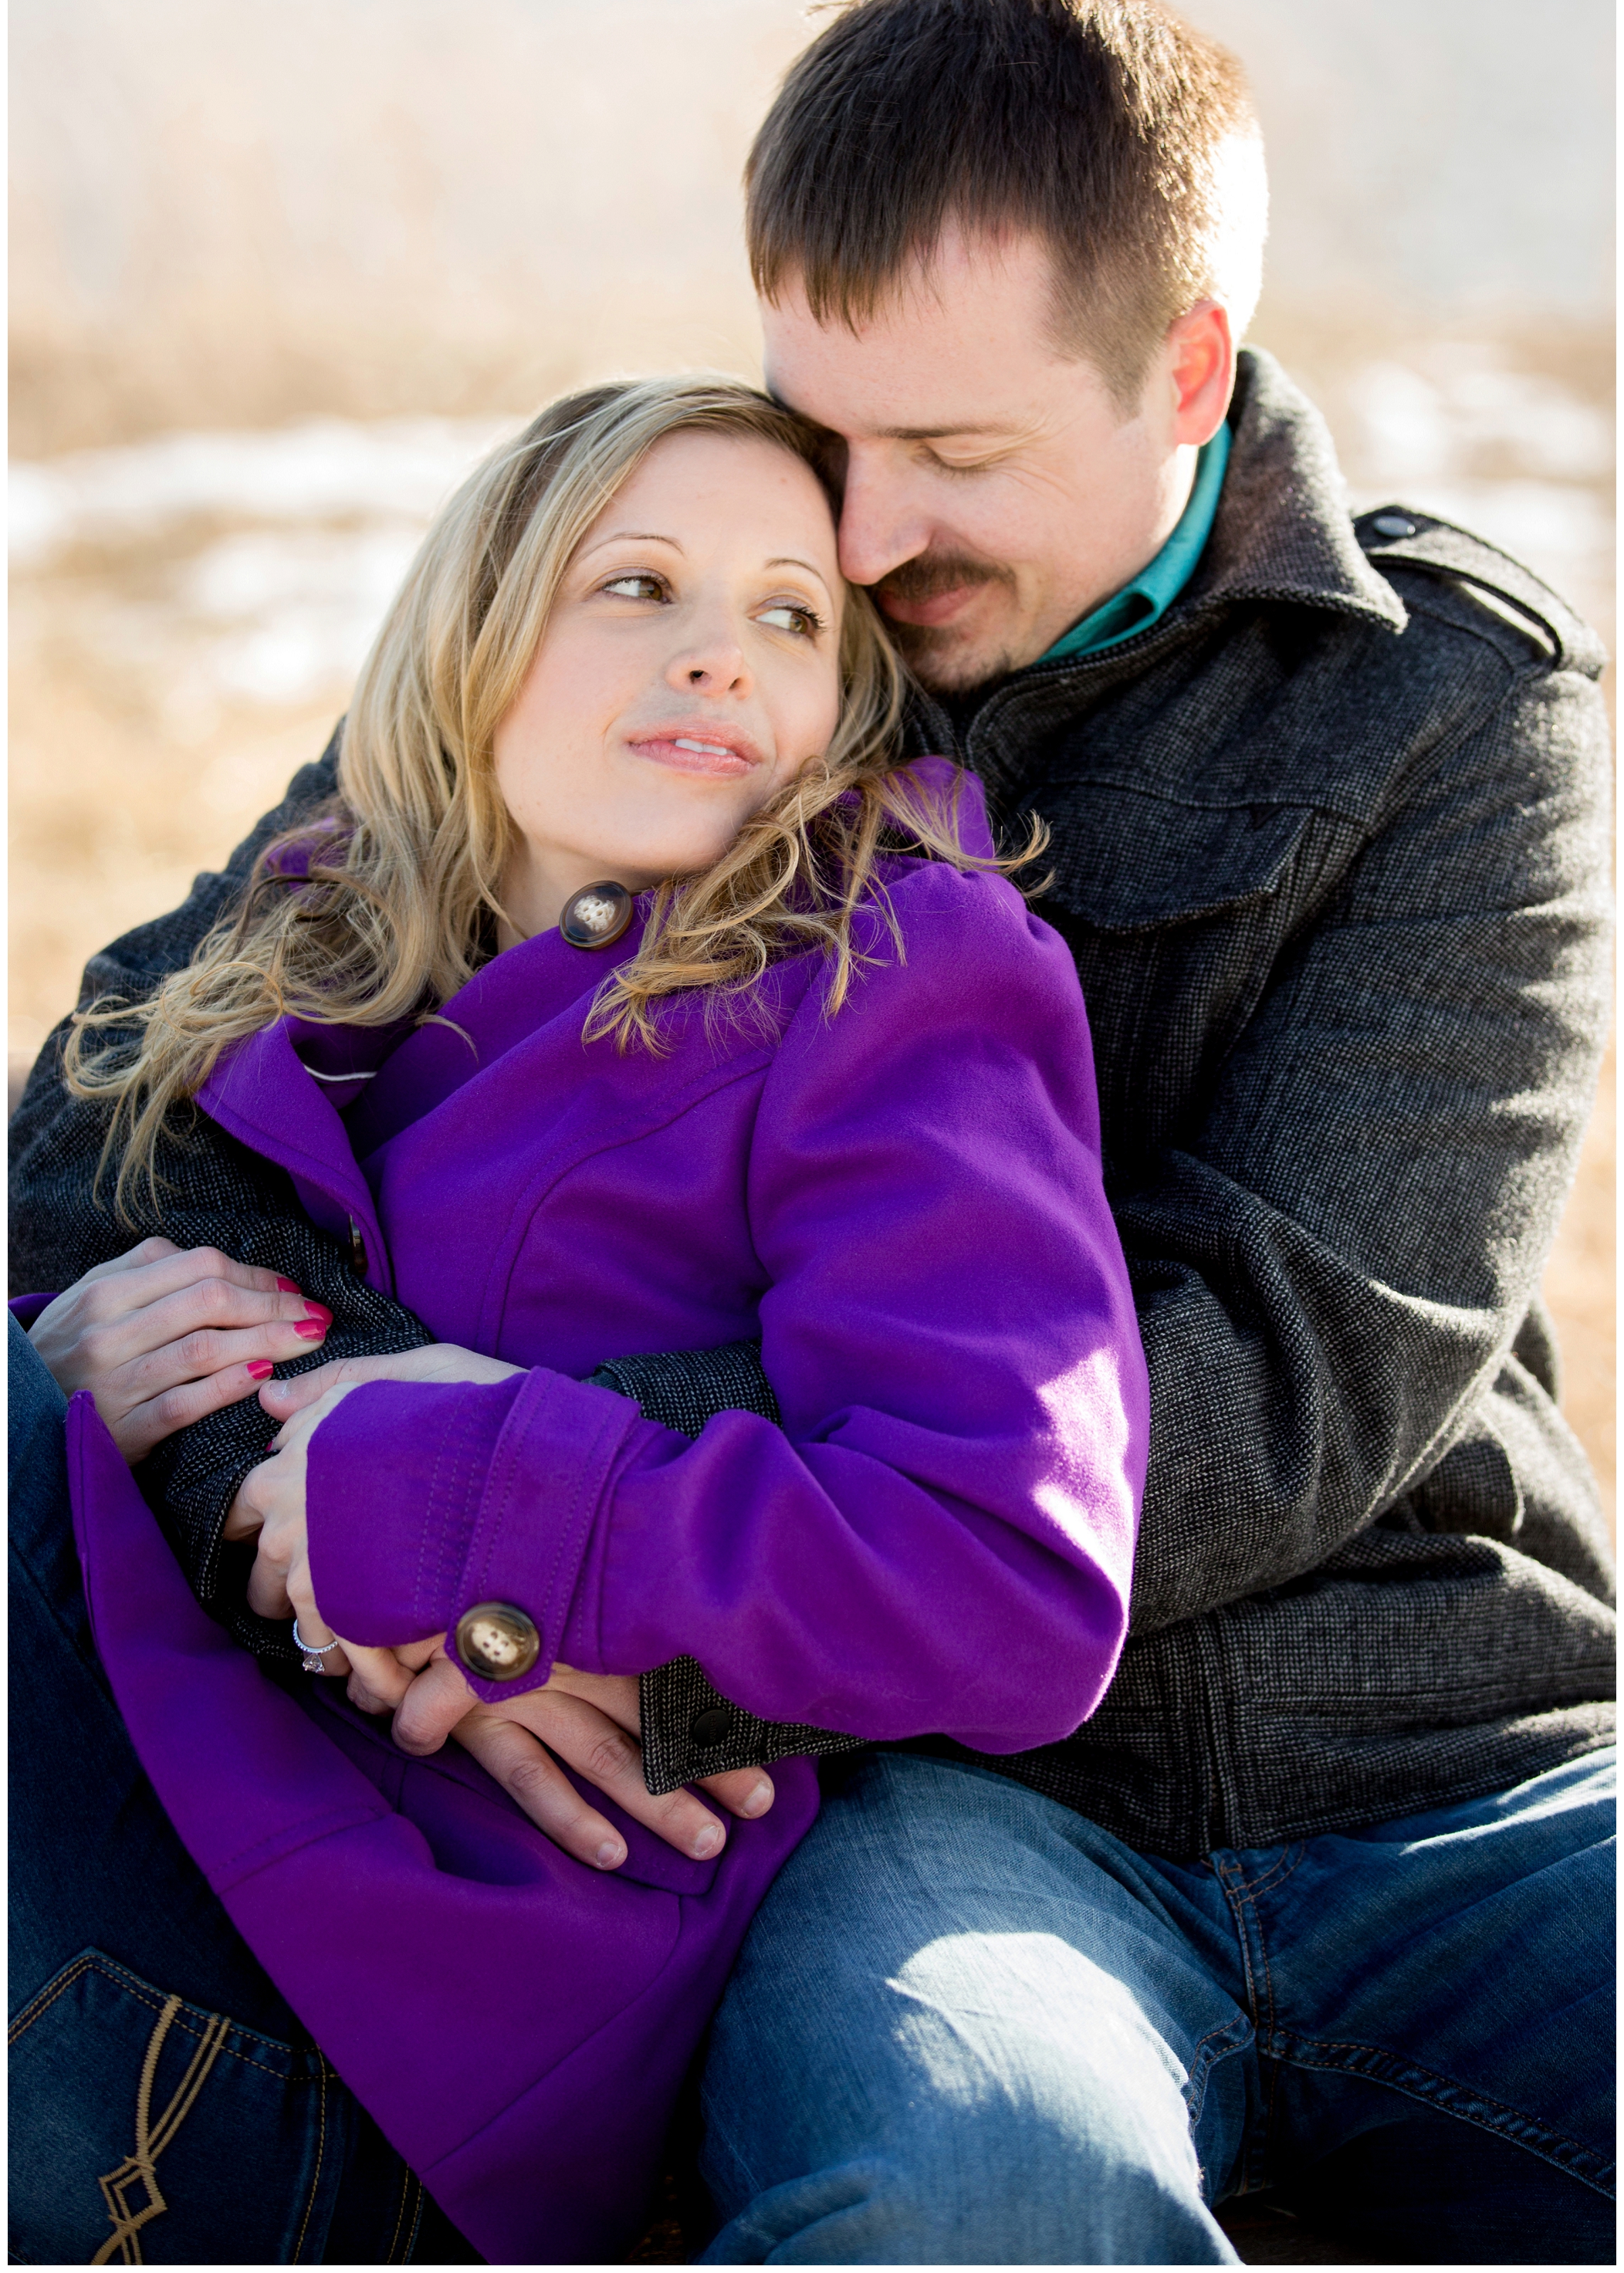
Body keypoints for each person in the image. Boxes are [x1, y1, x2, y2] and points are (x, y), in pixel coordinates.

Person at [12, 0, 1614, 2266]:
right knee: (979, 2186)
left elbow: (1282, 1380)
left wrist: (507, 1515)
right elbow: (161, 1086)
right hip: (942, 1808)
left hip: (1445, 1756)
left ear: (1186, 371)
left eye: (952, 459)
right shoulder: (714, 632)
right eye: (820, 423)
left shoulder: (1447, 715)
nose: (850, 545)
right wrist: (286, 1474)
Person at [10, 373, 1147, 2265]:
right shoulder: (318, 914)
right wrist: (76, 1373)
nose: (722, 658)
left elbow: (1006, 1567)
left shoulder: (883, 964)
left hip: (402, 1994)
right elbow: (63, 1173)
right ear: (476, 639)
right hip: (114, 1800)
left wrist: (459, 1499)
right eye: (639, 586)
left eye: (790, 615)